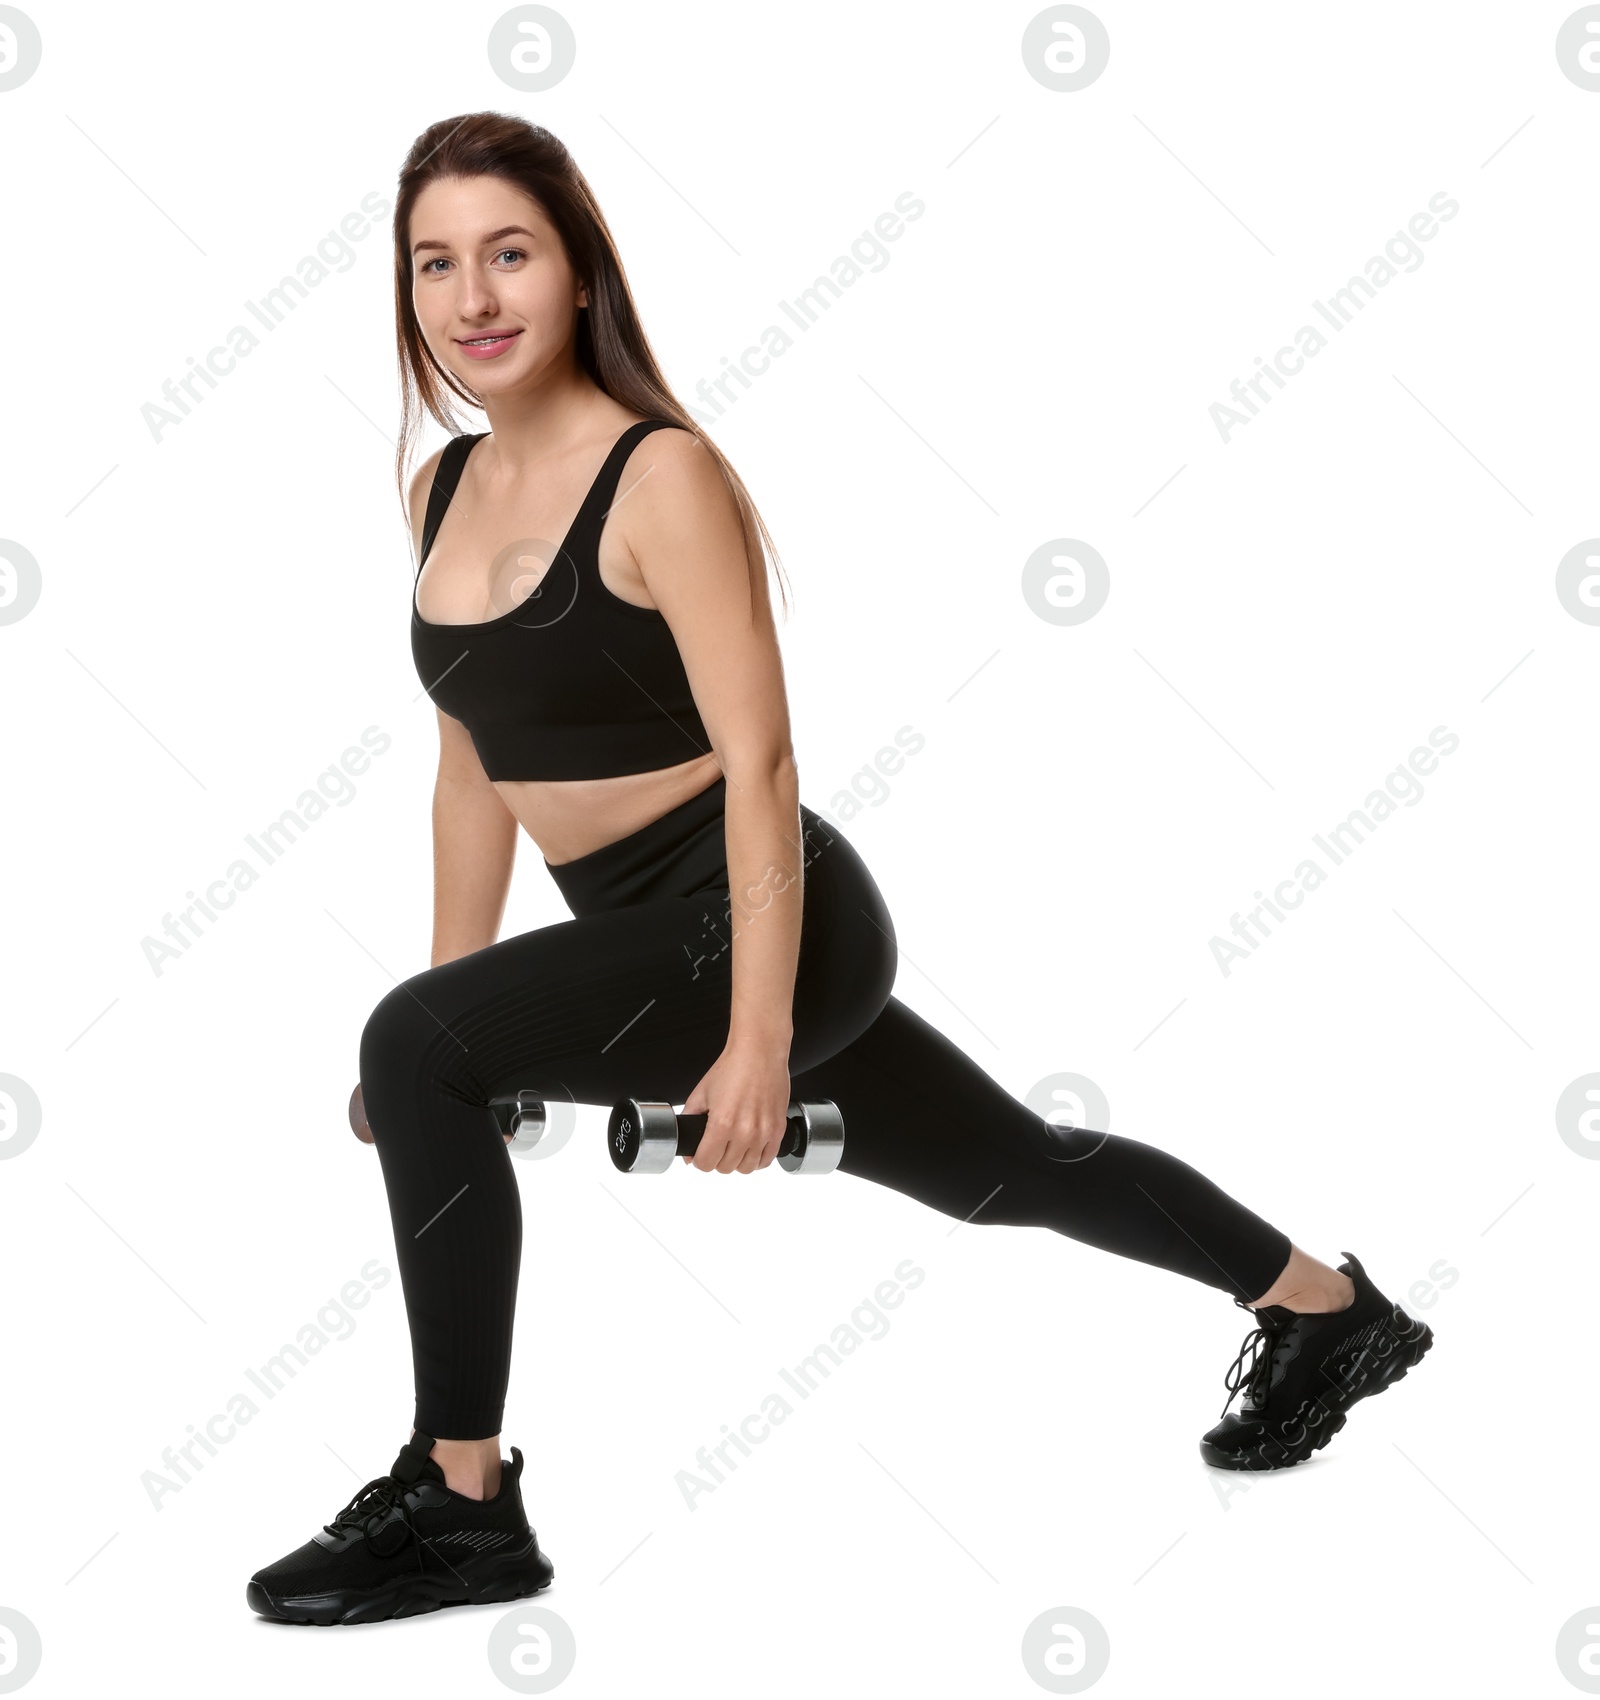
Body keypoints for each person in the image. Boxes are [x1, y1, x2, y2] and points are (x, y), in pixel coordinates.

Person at [246, 113, 1434, 1627]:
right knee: (1011, 1170)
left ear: (581, 273)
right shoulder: (438, 492)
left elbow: (765, 766)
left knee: (415, 1050)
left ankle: (461, 1500)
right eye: (435, 263)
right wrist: (457, 995)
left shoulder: (661, 475)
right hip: (635, 939)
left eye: (509, 252)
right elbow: (469, 763)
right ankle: (1323, 1309)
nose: (471, 294)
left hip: (770, 922)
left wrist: (750, 1043)